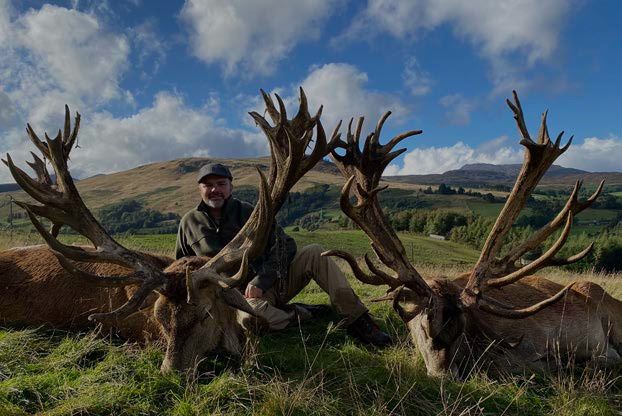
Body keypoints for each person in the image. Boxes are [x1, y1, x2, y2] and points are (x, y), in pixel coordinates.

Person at [176, 162, 392, 346]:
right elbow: (181, 266)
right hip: (230, 299)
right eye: (208, 185)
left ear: (231, 186)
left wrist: (262, 280)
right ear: (200, 189)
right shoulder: (188, 223)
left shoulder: (251, 213)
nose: (215, 190)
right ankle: (302, 313)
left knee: (315, 252)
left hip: (271, 284)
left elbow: (285, 245)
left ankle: (357, 319)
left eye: (221, 184)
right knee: (251, 320)